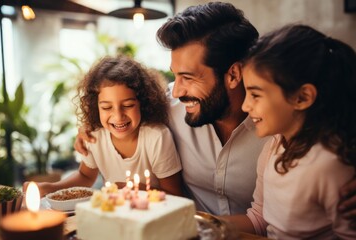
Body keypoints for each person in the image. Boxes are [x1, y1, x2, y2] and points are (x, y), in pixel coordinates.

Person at [74, 1, 356, 219]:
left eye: (188, 77)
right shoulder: (165, 107)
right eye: (175, 76)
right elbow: (120, 116)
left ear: (233, 75)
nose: (176, 90)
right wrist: (90, 129)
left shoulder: (284, 124)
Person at [222, 24, 356, 239]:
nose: (246, 106)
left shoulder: (328, 165)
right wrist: (192, 221)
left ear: (302, 98)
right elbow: (259, 218)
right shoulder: (273, 147)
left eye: (256, 95)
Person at [24, 55, 183, 197]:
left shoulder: (157, 137)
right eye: (107, 108)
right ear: (95, 107)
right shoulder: (94, 136)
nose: (118, 116)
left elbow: (175, 195)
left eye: (128, 105)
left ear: (143, 102)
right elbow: (85, 176)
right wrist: (51, 187)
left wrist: (135, 189)